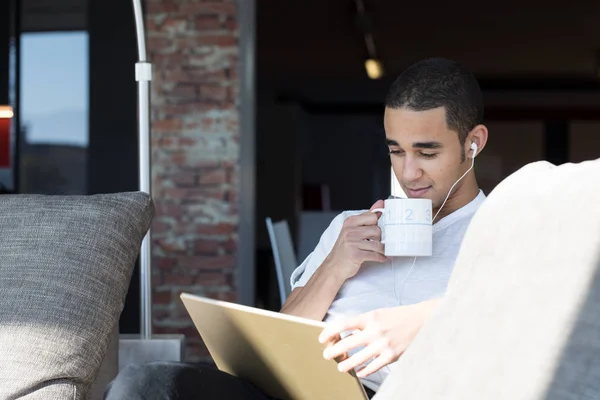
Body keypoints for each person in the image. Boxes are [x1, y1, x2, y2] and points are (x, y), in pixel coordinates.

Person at [105, 57, 489, 400]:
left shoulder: (500, 234)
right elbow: (282, 341)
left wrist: (431, 322)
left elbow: (535, 329)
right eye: (396, 151)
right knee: (143, 384)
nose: (408, 172)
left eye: (427, 153)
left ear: (473, 144)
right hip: (297, 390)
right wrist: (336, 263)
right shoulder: (348, 227)